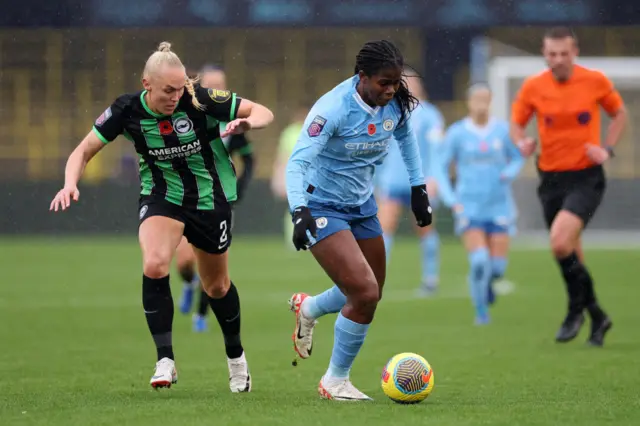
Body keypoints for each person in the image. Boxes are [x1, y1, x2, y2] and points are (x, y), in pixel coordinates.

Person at [49, 42, 274, 390]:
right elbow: (84, 150)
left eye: (180, 87)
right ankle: (165, 360)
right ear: (146, 84)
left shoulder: (199, 98)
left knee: (216, 286)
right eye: (168, 90)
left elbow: (263, 111)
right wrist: (69, 183)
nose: (176, 96)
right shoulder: (126, 110)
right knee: (155, 264)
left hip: (210, 199)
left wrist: (247, 123)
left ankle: (236, 357)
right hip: (161, 197)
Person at [285, 40, 432, 401]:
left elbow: (406, 138)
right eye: (384, 82)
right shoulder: (332, 109)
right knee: (363, 291)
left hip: (363, 205)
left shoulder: (394, 102)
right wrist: (299, 210)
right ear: (362, 76)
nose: (391, 90)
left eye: (396, 82)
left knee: (370, 293)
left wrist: (419, 189)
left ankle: (309, 308)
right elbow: (297, 164)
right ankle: (335, 381)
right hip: (322, 206)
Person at [510, 27, 626, 346]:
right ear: (544, 54)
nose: (558, 60)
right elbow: (516, 123)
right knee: (571, 251)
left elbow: (619, 114)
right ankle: (598, 316)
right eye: (551, 54)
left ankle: (575, 310)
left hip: (586, 177)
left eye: (563, 54)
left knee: (560, 243)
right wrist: (522, 142)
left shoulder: (595, 81)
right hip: (550, 179)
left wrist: (607, 149)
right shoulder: (534, 86)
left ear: (575, 52)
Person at [436, 83, 524, 325]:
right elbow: (440, 168)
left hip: (499, 206)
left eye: (485, 99)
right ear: (469, 102)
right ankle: (481, 312)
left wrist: (509, 171)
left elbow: (517, 157)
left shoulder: (503, 131)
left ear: (491, 101)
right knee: (479, 261)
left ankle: (487, 283)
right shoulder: (457, 133)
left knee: (497, 268)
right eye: (477, 99)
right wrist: (451, 198)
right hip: (469, 206)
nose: (481, 104)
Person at [178, 64, 256, 333]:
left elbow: (249, 159)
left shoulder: (232, 122)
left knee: (213, 262)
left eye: (221, 85)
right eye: (212, 85)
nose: (218, 91)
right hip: (185, 199)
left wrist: (239, 189)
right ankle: (187, 283)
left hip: (220, 200)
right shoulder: (183, 117)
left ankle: (200, 316)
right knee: (184, 262)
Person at [375, 68, 444, 296]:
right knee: (383, 229)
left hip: (419, 183)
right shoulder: (389, 112)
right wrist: (376, 178)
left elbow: (437, 150)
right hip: (392, 181)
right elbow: (380, 149)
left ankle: (430, 278)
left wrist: (434, 177)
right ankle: (376, 280)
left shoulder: (430, 114)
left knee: (424, 229)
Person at [271, 104, 309, 249]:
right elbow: (283, 156)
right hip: (294, 175)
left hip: (308, 175)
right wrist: (279, 176)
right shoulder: (290, 132)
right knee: (294, 206)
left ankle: (307, 236)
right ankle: (293, 238)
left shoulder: (310, 131)